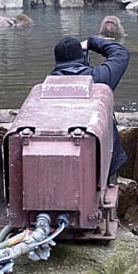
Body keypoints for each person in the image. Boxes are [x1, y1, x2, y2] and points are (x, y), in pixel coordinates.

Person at [50, 34, 130, 178]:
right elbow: (120, 53)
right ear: (84, 57)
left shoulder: (48, 86)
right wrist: (92, 42)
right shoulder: (100, 79)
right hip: (103, 157)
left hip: (61, 157)